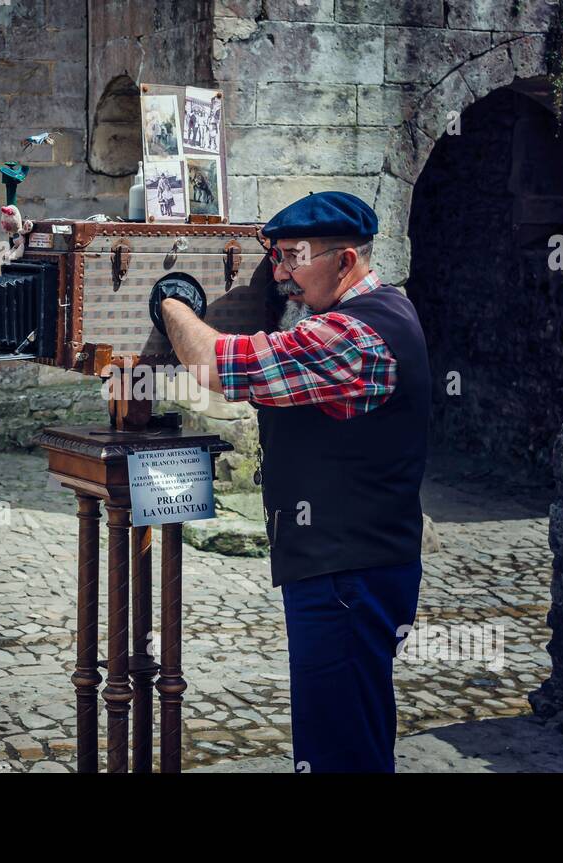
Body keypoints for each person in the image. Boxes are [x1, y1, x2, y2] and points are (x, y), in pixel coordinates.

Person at [151, 191, 431, 772]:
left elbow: (216, 364)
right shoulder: (374, 312)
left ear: (345, 261)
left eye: (292, 258)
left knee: (338, 747)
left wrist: (172, 299)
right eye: (274, 258)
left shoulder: (352, 336)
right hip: (353, 565)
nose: (279, 275)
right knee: (354, 730)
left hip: (346, 572)